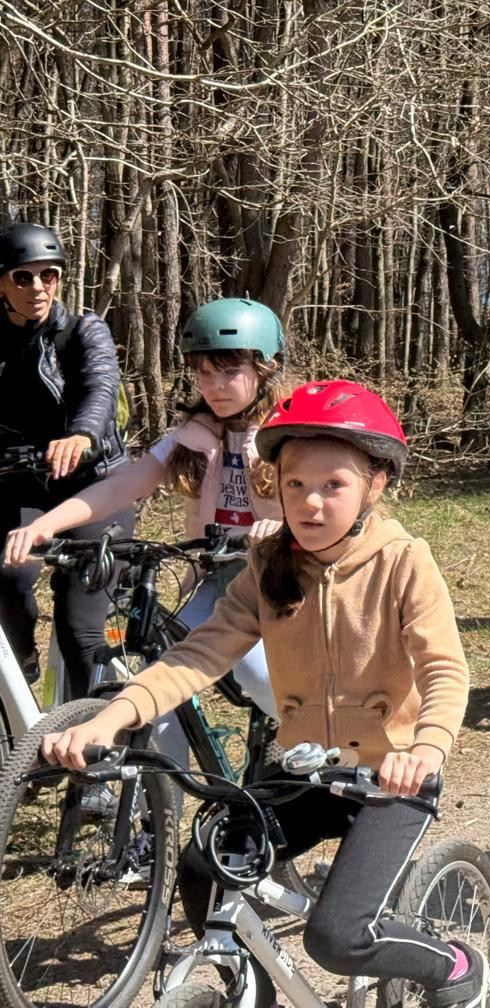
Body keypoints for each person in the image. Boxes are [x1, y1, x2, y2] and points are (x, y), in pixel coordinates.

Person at [40, 380, 486, 1007]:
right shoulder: (270, 566)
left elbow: (444, 669)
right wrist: (112, 717)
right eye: (296, 485)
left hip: (391, 779)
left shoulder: (404, 562)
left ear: (375, 485)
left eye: (334, 485)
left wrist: (429, 749)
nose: (311, 503)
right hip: (307, 773)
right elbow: (198, 654)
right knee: (202, 864)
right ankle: (252, 991)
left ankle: (455, 963)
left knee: (337, 939)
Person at [4, 298, 285, 765]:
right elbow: (124, 485)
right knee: (153, 690)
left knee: (259, 677)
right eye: (204, 373)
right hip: (214, 581)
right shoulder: (193, 435)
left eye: (228, 372)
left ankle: (313, 750)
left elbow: (331, 497)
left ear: (266, 368)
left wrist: (285, 526)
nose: (214, 386)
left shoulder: (290, 432)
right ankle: (158, 818)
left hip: (281, 582)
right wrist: (48, 524)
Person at [0, 221, 132, 697]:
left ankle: (91, 751)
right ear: (1, 283)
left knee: (81, 629)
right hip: (21, 487)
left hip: (95, 487)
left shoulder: (83, 331)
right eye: (23, 277)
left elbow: (100, 386)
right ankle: (22, 663)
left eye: (49, 275)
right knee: (9, 575)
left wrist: (80, 432)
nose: (38, 287)